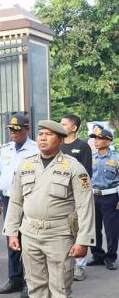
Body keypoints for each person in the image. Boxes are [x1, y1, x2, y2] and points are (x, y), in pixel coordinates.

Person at [2, 120, 95, 298]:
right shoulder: (25, 165)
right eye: (41, 134)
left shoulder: (74, 168)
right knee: (35, 285)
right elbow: (15, 201)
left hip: (60, 234)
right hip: (30, 233)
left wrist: (83, 240)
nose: (43, 138)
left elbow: (85, 206)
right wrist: (12, 231)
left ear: (61, 140)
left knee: (61, 287)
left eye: (49, 135)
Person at [0, 112, 37, 298]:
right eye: (11, 129)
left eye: (17, 130)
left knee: (28, 241)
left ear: (26, 129)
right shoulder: (6, 149)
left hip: (28, 200)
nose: (14, 133)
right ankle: (15, 278)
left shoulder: (35, 149)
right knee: (11, 239)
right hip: (8, 199)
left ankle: (29, 281)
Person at [59, 114, 94, 281]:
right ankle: (66, 263)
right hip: (60, 196)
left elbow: (86, 174)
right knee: (63, 231)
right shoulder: (58, 145)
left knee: (78, 228)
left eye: (64, 124)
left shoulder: (82, 146)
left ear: (73, 128)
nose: (61, 125)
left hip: (76, 195)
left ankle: (80, 266)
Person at [87, 128, 119, 271]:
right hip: (93, 196)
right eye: (95, 138)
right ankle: (97, 255)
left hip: (110, 197)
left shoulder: (116, 158)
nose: (96, 141)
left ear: (108, 140)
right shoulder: (91, 157)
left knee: (111, 229)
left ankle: (111, 257)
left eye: (99, 138)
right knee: (94, 228)